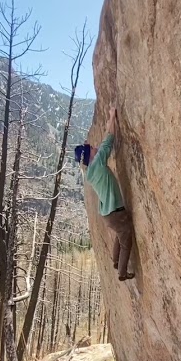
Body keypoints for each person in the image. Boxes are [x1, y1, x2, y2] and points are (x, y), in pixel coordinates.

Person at [80, 106, 135, 281]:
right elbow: (109, 139)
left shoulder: (91, 172)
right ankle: (122, 273)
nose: (95, 147)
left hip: (108, 214)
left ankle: (115, 261)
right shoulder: (98, 163)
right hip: (116, 213)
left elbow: (103, 143)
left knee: (120, 235)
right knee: (126, 239)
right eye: (92, 148)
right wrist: (112, 117)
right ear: (90, 156)